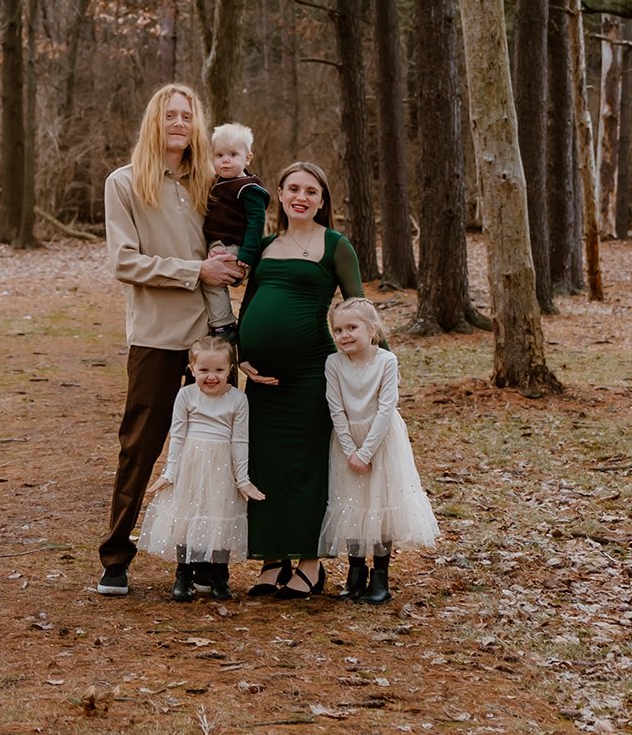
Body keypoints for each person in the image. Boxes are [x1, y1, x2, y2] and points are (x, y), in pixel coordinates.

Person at [97, 84, 242, 598]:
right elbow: (123, 261)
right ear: (154, 122)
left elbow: (230, 240)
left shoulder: (213, 180)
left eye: (187, 116)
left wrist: (232, 263)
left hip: (212, 340)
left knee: (216, 448)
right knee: (140, 446)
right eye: (169, 115)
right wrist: (194, 269)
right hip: (158, 335)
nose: (178, 122)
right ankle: (115, 557)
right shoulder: (125, 184)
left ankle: (205, 559)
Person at [237, 160, 366, 598]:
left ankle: (310, 564)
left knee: (306, 465)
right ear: (279, 193)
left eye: (311, 191)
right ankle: (273, 560)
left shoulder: (335, 245)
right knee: (264, 463)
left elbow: (359, 311)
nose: (301, 197)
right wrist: (240, 352)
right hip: (263, 380)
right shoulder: (266, 246)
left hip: (312, 372)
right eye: (293, 188)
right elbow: (249, 302)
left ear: (323, 201)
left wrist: (374, 368)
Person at [319, 298, 440, 604]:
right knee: (353, 503)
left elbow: (387, 409)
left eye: (352, 327)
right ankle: (355, 572)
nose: (344, 335)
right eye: (338, 329)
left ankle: (380, 577)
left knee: (380, 504)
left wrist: (367, 452)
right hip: (347, 442)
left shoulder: (386, 361)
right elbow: (336, 409)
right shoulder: (333, 364)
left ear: (371, 330)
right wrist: (351, 450)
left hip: (382, 440)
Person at [137, 334, 265, 601]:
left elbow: (240, 440)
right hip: (192, 465)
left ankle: (220, 576)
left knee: (219, 517)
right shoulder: (186, 396)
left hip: (223, 467)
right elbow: (178, 435)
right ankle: (184, 575)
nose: (211, 376)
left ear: (230, 370)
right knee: (187, 515)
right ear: (191, 368)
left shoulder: (238, 400)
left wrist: (242, 479)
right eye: (204, 370)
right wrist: (170, 472)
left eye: (219, 370)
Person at [202, 123, 270, 340]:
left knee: (212, 279)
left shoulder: (248, 188)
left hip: (234, 243)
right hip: (216, 241)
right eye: (219, 155)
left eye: (233, 154)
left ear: (247, 158)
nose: (225, 160)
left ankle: (224, 325)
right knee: (208, 278)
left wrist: (247, 254)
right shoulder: (216, 182)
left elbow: (256, 222)